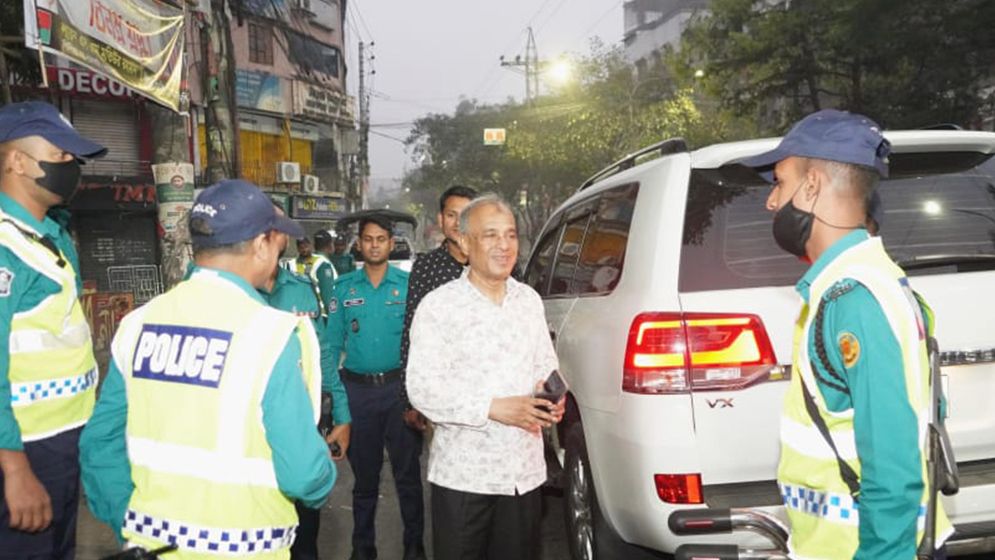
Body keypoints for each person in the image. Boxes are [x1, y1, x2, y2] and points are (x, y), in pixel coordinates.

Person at [79, 179, 337, 559]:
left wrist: (129, 521)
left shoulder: (137, 324)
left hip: (151, 546)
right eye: (278, 242)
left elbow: (100, 443)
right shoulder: (272, 334)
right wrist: (324, 477)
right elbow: (302, 473)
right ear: (262, 244)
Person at [743, 109, 952, 559]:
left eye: (779, 181)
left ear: (812, 185)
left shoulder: (854, 298)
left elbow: (893, 465)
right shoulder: (875, 281)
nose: (772, 201)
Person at [406, 194, 565, 560]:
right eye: (491, 235)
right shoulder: (439, 307)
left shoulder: (528, 301)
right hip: (465, 477)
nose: (504, 245)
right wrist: (493, 408)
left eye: (510, 235)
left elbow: (545, 363)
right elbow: (422, 387)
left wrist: (551, 397)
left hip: (522, 475)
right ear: (464, 242)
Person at [0, 101, 105, 560]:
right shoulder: (5, 245)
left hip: (63, 440)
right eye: (60, 156)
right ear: (16, 160)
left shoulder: (48, 234)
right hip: (24, 448)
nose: (72, 168)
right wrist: (14, 468)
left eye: (73, 160)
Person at [325, 213, 424, 560]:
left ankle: (414, 545)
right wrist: (338, 406)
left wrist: (417, 398)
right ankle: (362, 547)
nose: (374, 245)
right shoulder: (344, 289)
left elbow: (421, 344)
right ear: (359, 244)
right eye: (368, 239)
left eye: (381, 239)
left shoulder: (408, 286)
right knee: (364, 481)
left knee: (408, 476)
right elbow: (331, 348)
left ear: (391, 244)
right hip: (359, 394)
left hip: (399, 392)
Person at [261, 204, 351, 560]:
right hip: (248, 431)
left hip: (301, 422)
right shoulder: (223, 294)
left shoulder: (299, 289)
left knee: (304, 533)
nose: (281, 235)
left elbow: (322, 352)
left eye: (283, 227)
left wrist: (341, 412)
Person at [399, 184, 478, 431]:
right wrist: (409, 398)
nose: (458, 223)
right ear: (441, 219)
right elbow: (411, 330)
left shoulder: (494, 263)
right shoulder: (426, 268)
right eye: (452, 215)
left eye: (465, 216)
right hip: (442, 393)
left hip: (491, 386)